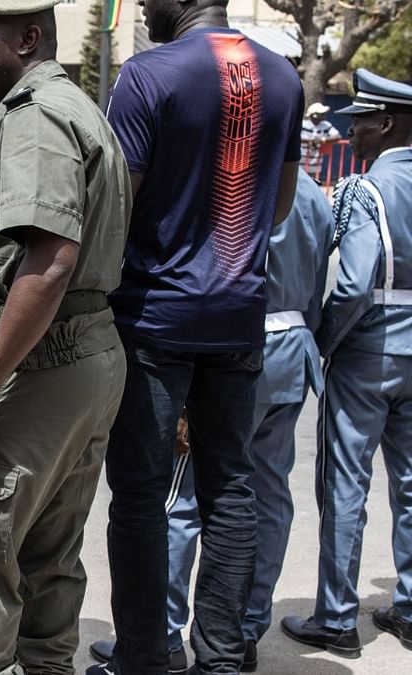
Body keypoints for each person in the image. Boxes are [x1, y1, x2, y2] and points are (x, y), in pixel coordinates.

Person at [96, 0, 304, 671]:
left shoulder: (148, 75)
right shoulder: (282, 78)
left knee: (139, 494)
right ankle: (219, 657)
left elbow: (117, 209)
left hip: (155, 317)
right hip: (239, 315)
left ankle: (144, 657)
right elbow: (275, 206)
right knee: (231, 488)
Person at [0, 2, 132, 674]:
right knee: (49, 553)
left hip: (38, 362)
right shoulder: (76, 105)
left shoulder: (36, 115)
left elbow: (49, 261)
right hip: (85, 352)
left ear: (27, 37)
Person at [88, 170, 335, 673]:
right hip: (288, 347)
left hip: (225, 343)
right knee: (264, 493)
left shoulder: (221, 188)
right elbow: (317, 284)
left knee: (182, 499)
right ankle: (245, 628)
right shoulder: (311, 196)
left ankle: (167, 632)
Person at [280, 69, 412, 659]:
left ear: (383, 123)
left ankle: (335, 618)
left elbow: (355, 284)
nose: (349, 130)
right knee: (410, 487)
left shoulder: (368, 190)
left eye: (358, 120)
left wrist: (324, 340)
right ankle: (408, 607)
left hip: (369, 353)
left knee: (345, 487)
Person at [301, 102, 342, 183]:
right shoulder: (303, 124)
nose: (323, 115)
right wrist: (310, 141)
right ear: (314, 115)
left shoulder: (326, 125)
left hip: (316, 161)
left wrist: (323, 139)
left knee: (313, 182)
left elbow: (337, 136)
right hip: (301, 159)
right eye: (321, 113)